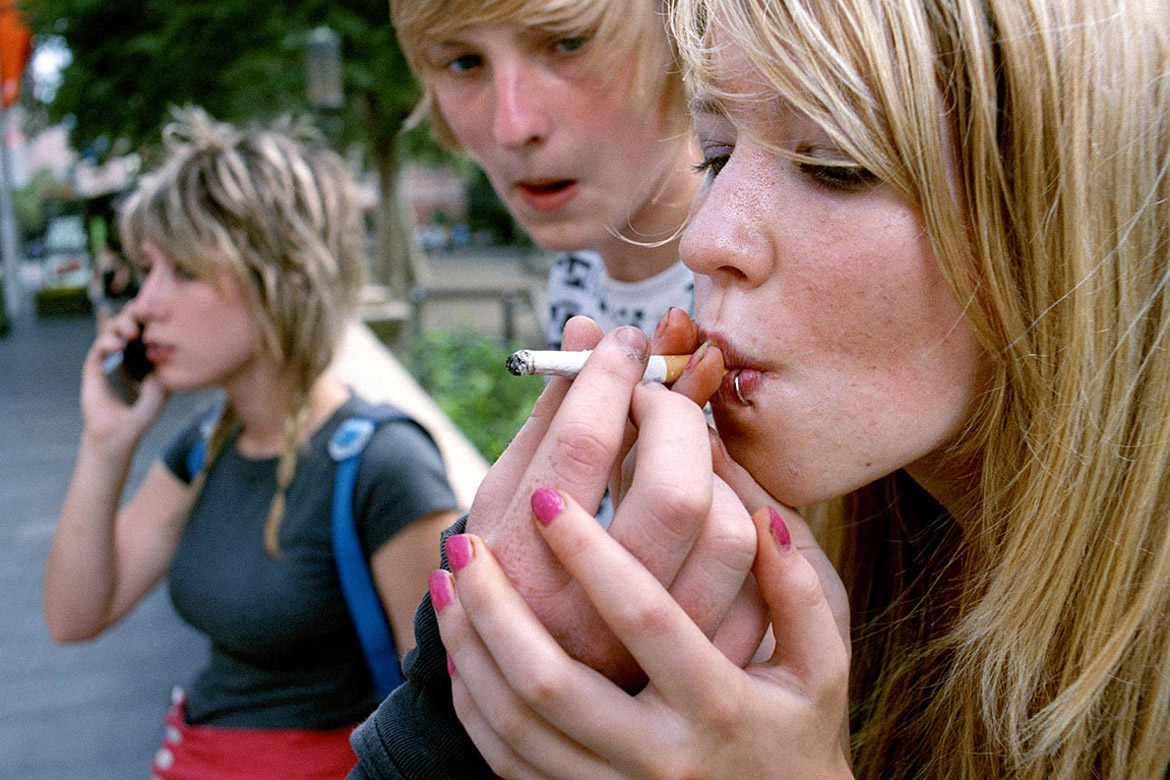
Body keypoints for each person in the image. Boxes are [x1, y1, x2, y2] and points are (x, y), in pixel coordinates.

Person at [350, 0, 1170, 776]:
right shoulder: (866, 587)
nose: (704, 239)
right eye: (716, 154)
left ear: (1075, 218)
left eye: (833, 164)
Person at [43, 108, 461, 780]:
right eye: (147, 269)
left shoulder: (384, 466)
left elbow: (451, 712)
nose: (144, 303)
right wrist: (106, 442)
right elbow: (75, 614)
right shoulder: (208, 442)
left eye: (183, 271)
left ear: (278, 276)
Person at [390, 0, 700, 349]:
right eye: (465, 62)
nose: (513, 128)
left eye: (569, 43)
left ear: (680, 34)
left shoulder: (762, 293)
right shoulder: (577, 271)